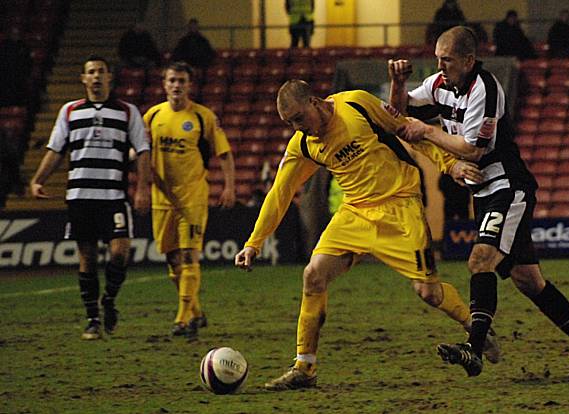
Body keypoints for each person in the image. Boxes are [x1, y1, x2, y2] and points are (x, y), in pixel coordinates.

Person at [234, 79, 499, 391]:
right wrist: (254, 242)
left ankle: (476, 328)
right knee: (313, 275)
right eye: (289, 123)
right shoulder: (303, 144)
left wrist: (450, 164)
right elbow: (281, 192)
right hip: (355, 213)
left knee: (427, 292)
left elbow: (409, 133)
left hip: (401, 206)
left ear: (316, 102)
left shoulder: (357, 103)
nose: (298, 128)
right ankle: (304, 368)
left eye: (299, 118)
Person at [388, 26, 569, 378]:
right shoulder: (438, 84)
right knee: (528, 280)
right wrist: (398, 85)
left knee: (480, 260)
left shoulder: (485, 89)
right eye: (438, 59)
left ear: (469, 60)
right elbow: (397, 116)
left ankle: (473, 348)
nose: (440, 66)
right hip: (485, 192)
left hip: (508, 186)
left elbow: (474, 149)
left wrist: (428, 131)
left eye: (447, 60)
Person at [30, 56, 151, 340]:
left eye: (101, 72)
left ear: (110, 77)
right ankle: (92, 319)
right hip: (80, 196)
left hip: (113, 196)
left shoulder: (127, 112)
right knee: (87, 258)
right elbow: (56, 150)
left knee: (120, 252)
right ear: (83, 79)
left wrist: (143, 188)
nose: (96, 76)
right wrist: (38, 179)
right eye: (91, 72)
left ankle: (109, 301)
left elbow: (143, 151)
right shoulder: (70, 111)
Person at [143, 61, 235, 339]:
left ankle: (182, 319)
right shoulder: (152, 116)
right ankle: (195, 311)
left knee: (188, 255)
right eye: (172, 80)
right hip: (162, 199)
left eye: (182, 80)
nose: (177, 85)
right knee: (172, 260)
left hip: (193, 196)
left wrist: (229, 186)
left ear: (189, 85)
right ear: (164, 83)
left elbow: (225, 154)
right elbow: (142, 155)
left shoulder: (203, 117)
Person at [0, 26, 32, 106]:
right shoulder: (4, 46)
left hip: (18, 78)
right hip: (5, 78)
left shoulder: (23, 47)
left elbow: (27, 63)